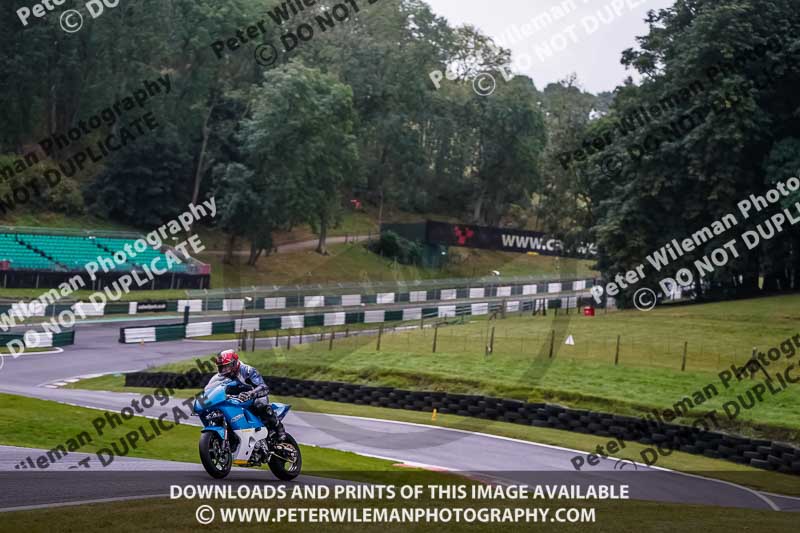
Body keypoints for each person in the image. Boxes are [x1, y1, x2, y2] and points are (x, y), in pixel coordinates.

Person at [213, 349, 286, 441]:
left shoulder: (247, 371)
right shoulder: (223, 378)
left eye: (227, 366)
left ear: (234, 363)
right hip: (237, 399)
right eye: (222, 367)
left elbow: (263, 386)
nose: (224, 370)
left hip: (255, 396)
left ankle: (279, 428)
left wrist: (251, 393)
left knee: (259, 404)